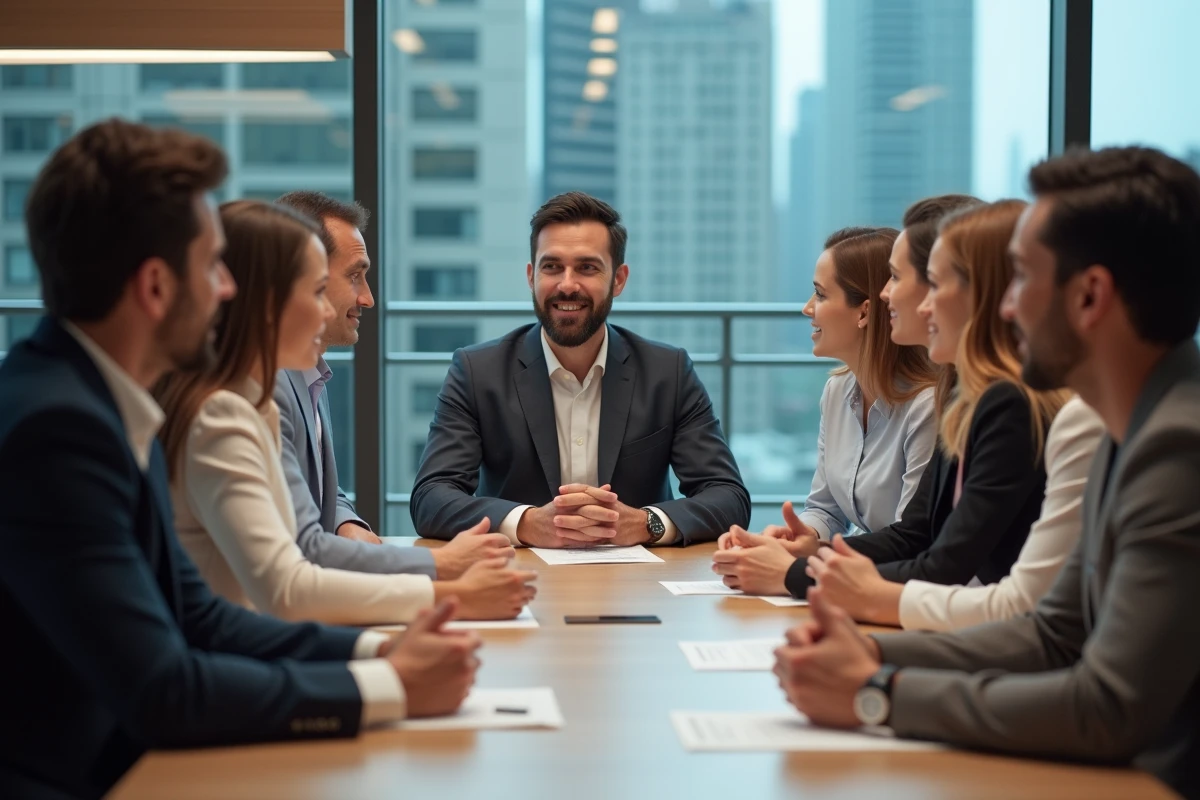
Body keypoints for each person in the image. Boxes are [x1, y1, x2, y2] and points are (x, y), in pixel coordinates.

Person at [0, 119, 480, 799]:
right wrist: (387, 686)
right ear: (157, 287)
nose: (230, 290)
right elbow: (164, 690)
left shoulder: (94, 399)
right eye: (213, 266)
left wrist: (379, 650)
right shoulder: (58, 430)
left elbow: (198, 617)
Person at [773, 146, 1200, 798]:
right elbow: (1054, 634)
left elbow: (1108, 707)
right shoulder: (1129, 423)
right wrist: (871, 655)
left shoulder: (1176, 446)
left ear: (1090, 297)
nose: (1003, 307)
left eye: (1022, 279)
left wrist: (876, 692)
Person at [156, 200, 537, 624]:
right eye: (317, 290)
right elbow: (289, 585)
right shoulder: (227, 412)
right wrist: (446, 589)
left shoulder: (262, 394)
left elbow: (306, 510)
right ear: (268, 301)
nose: (328, 309)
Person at [714, 201, 1069, 598]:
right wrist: (806, 553)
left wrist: (796, 572)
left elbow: (940, 561)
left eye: (920, 281)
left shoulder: (998, 404)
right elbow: (916, 535)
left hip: (970, 617)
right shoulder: (962, 396)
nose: (887, 294)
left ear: (979, 295)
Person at [410, 191, 750, 548]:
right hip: (516, 580)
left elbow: (728, 498)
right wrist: (525, 523)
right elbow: (431, 498)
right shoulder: (477, 372)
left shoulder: (668, 372)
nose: (567, 284)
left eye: (587, 267)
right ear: (531, 276)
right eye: (552, 266)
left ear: (618, 279)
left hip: (634, 584)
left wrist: (645, 523)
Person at [272, 190, 512, 581]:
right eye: (354, 276)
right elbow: (300, 545)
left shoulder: (309, 369)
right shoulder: (269, 385)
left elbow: (313, 494)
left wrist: (346, 524)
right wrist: (441, 566)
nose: (367, 298)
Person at [716, 226, 937, 553]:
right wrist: (792, 538)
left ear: (863, 311)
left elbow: (912, 542)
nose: (808, 308)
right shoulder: (837, 392)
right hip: (859, 569)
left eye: (820, 294)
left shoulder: (926, 407)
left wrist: (806, 562)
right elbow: (826, 510)